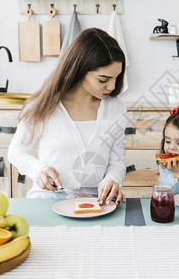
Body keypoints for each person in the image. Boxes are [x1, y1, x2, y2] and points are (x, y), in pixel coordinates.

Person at [8, 28, 126, 205]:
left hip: (96, 205)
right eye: (103, 79)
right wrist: (38, 169)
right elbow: (16, 152)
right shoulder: (44, 105)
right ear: (80, 70)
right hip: (47, 202)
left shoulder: (115, 108)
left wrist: (112, 178)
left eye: (116, 78)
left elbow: (117, 161)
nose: (112, 86)